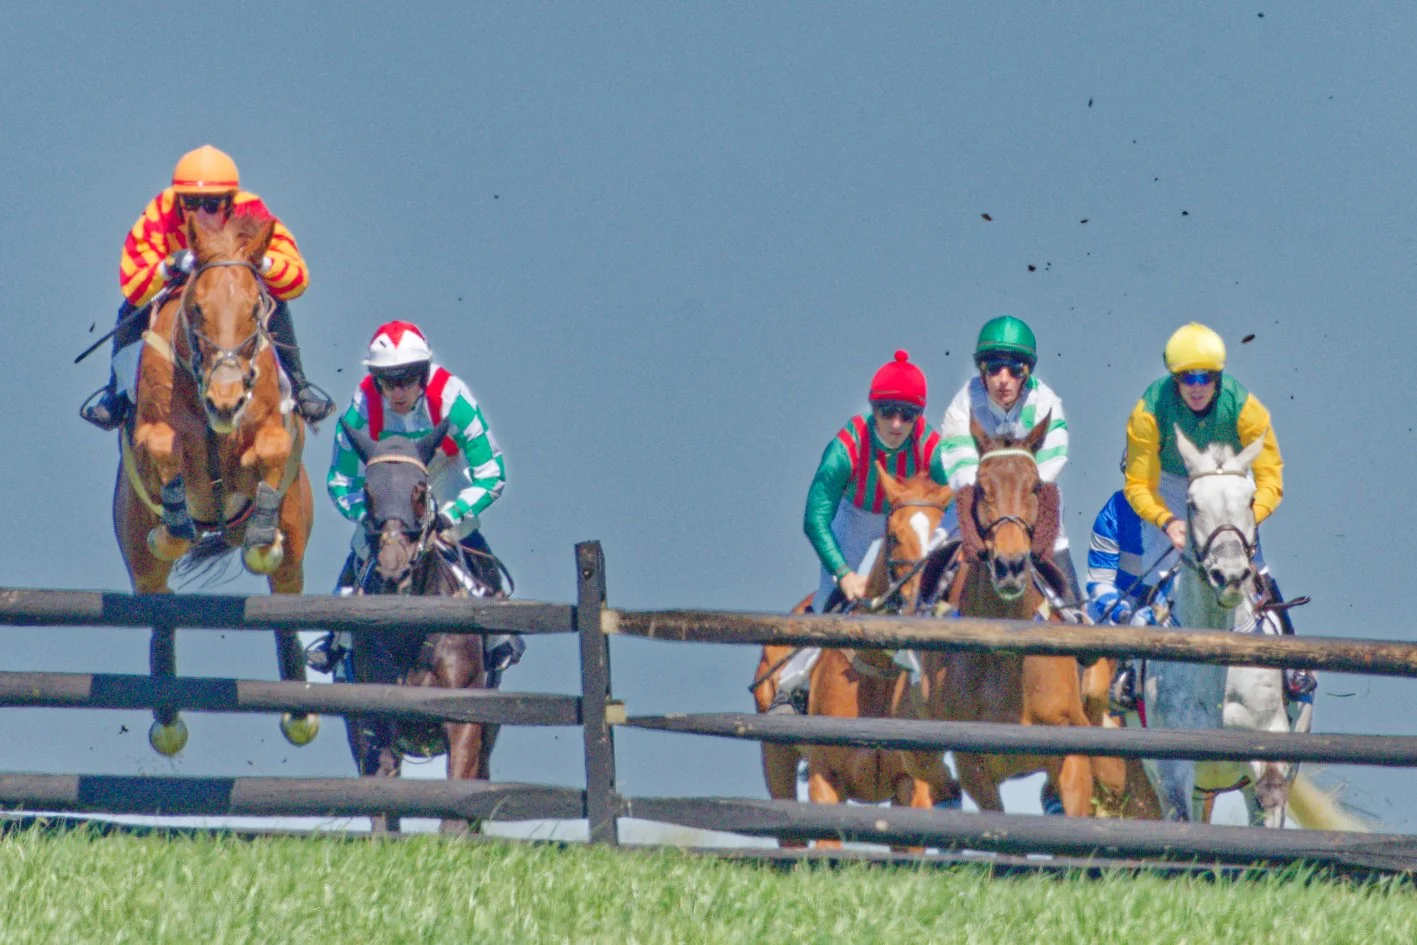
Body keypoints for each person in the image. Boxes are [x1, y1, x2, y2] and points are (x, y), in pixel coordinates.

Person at [310, 320, 522, 679]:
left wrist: (451, 515)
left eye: (407, 378)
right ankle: (336, 636)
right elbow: (340, 480)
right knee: (363, 546)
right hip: (387, 492)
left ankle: (498, 631)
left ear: (424, 373)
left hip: (441, 477)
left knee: (465, 534)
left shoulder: (453, 398)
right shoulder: (359, 408)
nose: (397, 391)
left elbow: (492, 471)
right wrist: (370, 515)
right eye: (387, 380)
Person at [81, 144, 333, 430]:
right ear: (178, 201)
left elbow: (297, 281)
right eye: (190, 202)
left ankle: (299, 387)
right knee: (130, 309)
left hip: (233, 297)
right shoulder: (158, 213)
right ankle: (115, 394)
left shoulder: (251, 209)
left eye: (212, 205)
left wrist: (260, 263)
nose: (201, 214)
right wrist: (168, 266)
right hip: (173, 294)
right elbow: (133, 287)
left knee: (272, 298)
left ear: (230, 201)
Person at [1123, 322, 1312, 697]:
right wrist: (1166, 521)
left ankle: (1294, 666)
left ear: (1218, 377)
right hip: (1172, 488)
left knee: (1258, 572)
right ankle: (1127, 672)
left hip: (1229, 488)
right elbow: (1138, 485)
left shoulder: (1247, 409)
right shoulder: (1148, 410)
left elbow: (1271, 478)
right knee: (1157, 579)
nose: (1196, 386)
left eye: (1205, 377)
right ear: (1174, 378)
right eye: (1186, 377)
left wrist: (1245, 523)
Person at [770, 350, 949, 713]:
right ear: (873, 409)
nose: (897, 424)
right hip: (856, 518)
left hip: (910, 522)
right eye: (887, 412)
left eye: (908, 415)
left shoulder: (934, 449)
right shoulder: (846, 447)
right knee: (828, 601)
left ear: (919, 416)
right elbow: (815, 519)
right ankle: (792, 687)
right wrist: (844, 574)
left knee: (929, 601)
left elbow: (956, 508)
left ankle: (934, 688)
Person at [938, 315, 1081, 601]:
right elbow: (960, 463)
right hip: (980, 499)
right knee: (937, 543)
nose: (1003, 379)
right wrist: (991, 490)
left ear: (1027, 372)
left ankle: (1073, 612)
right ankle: (920, 614)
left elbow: (1053, 460)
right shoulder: (963, 401)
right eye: (994, 369)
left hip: (1028, 500)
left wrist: (1014, 489)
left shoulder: (1046, 402)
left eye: (1014, 370)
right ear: (982, 370)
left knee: (1060, 548)